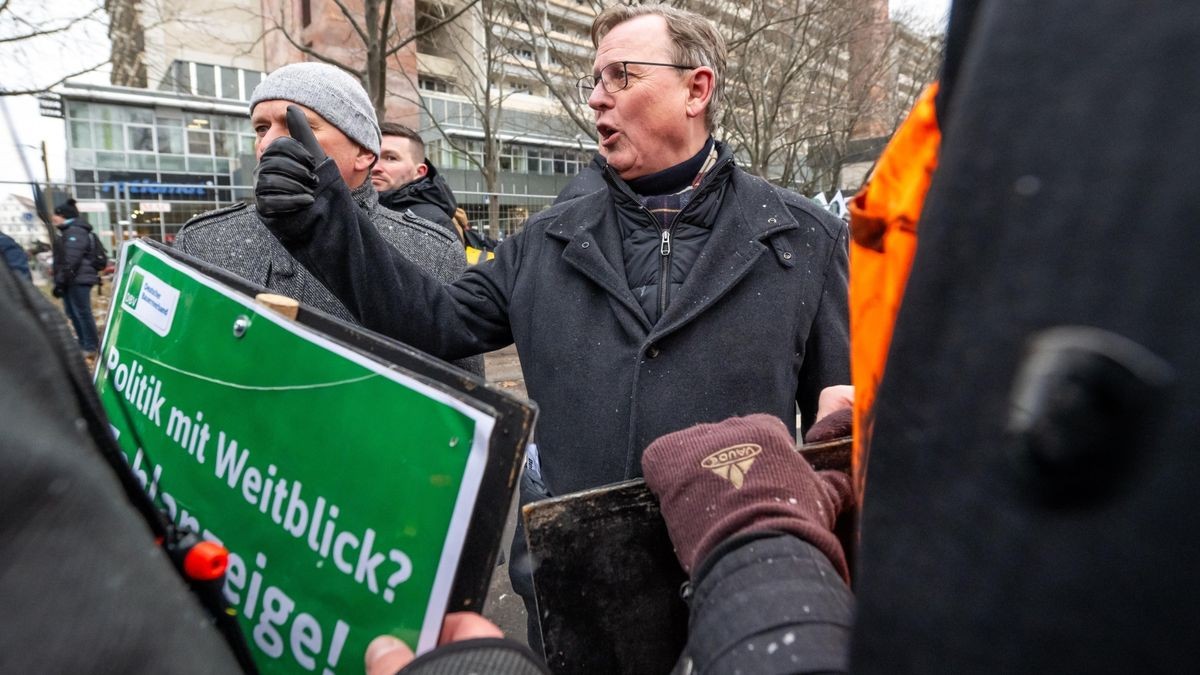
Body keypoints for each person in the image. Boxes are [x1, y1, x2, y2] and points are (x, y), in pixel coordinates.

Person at [248, 3, 850, 648]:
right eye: (594, 80)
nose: (596, 99)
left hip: (740, 586)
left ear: (695, 89)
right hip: (580, 589)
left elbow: (839, 430)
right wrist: (324, 223)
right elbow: (434, 321)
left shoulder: (802, 236)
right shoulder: (547, 238)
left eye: (620, 76)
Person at [174, 63, 482, 377]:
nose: (267, 143)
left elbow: (462, 402)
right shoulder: (203, 239)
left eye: (297, 125)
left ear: (363, 152)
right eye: (261, 128)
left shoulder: (432, 249)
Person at [372, 122, 462, 242]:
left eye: (391, 158)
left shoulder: (433, 223)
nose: (375, 167)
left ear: (419, 171)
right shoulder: (351, 207)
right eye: (372, 156)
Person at [51, 198, 101, 354]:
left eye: (57, 214)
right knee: (73, 313)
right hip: (72, 279)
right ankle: (83, 342)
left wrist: (60, 281)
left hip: (78, 279)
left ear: (65, 215)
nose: (54, 217)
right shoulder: (68, 231)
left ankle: (90, 345)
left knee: (82, 312)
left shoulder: (75, 231)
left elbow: (71, 260)